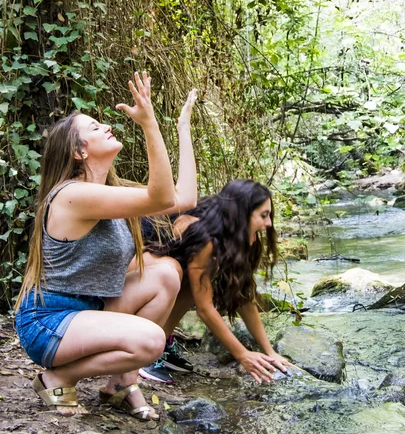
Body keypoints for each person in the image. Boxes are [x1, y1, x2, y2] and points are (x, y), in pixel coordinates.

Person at [15, 72, 196, 420]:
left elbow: (183, 197)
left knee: (166, 275)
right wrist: (149, 124)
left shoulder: (108, 191)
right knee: (150, 342)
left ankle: (119, 384)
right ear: (79, 151)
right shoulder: (73, 195)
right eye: (95, 127)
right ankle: (58, 377)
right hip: (49, 322)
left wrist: (182, 127)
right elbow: (159, 195)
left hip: (89, 311)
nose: (106, 127)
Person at [139, 179, 295, 385]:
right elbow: (204, 308)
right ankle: (146, 352)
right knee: (187, 279)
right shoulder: (205, 236)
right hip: (136, 274)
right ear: (242, 215)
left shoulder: (237, 233)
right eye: (263, 216)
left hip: (165, 276)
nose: (269, 224)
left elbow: (244, 295)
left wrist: (270, 351)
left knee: (194, 282)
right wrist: (242, 354)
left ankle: (162, 343)